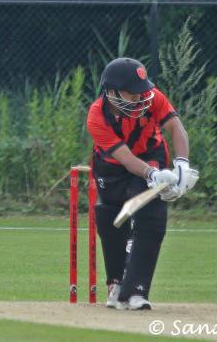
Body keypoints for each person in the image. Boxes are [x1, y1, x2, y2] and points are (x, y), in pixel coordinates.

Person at [86, 57, 198, 310]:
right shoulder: (96, 116)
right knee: (111, 219)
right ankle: (116, 285)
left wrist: (182, 164)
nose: (140, 98)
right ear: (112, 93)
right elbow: (125, 158)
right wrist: (153, 175)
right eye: (132, 93)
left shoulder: (151, 97)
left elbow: (176, 128)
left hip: (150, 155)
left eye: (141, 91)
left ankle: (136, 291)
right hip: (112, 167)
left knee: (152, 219)